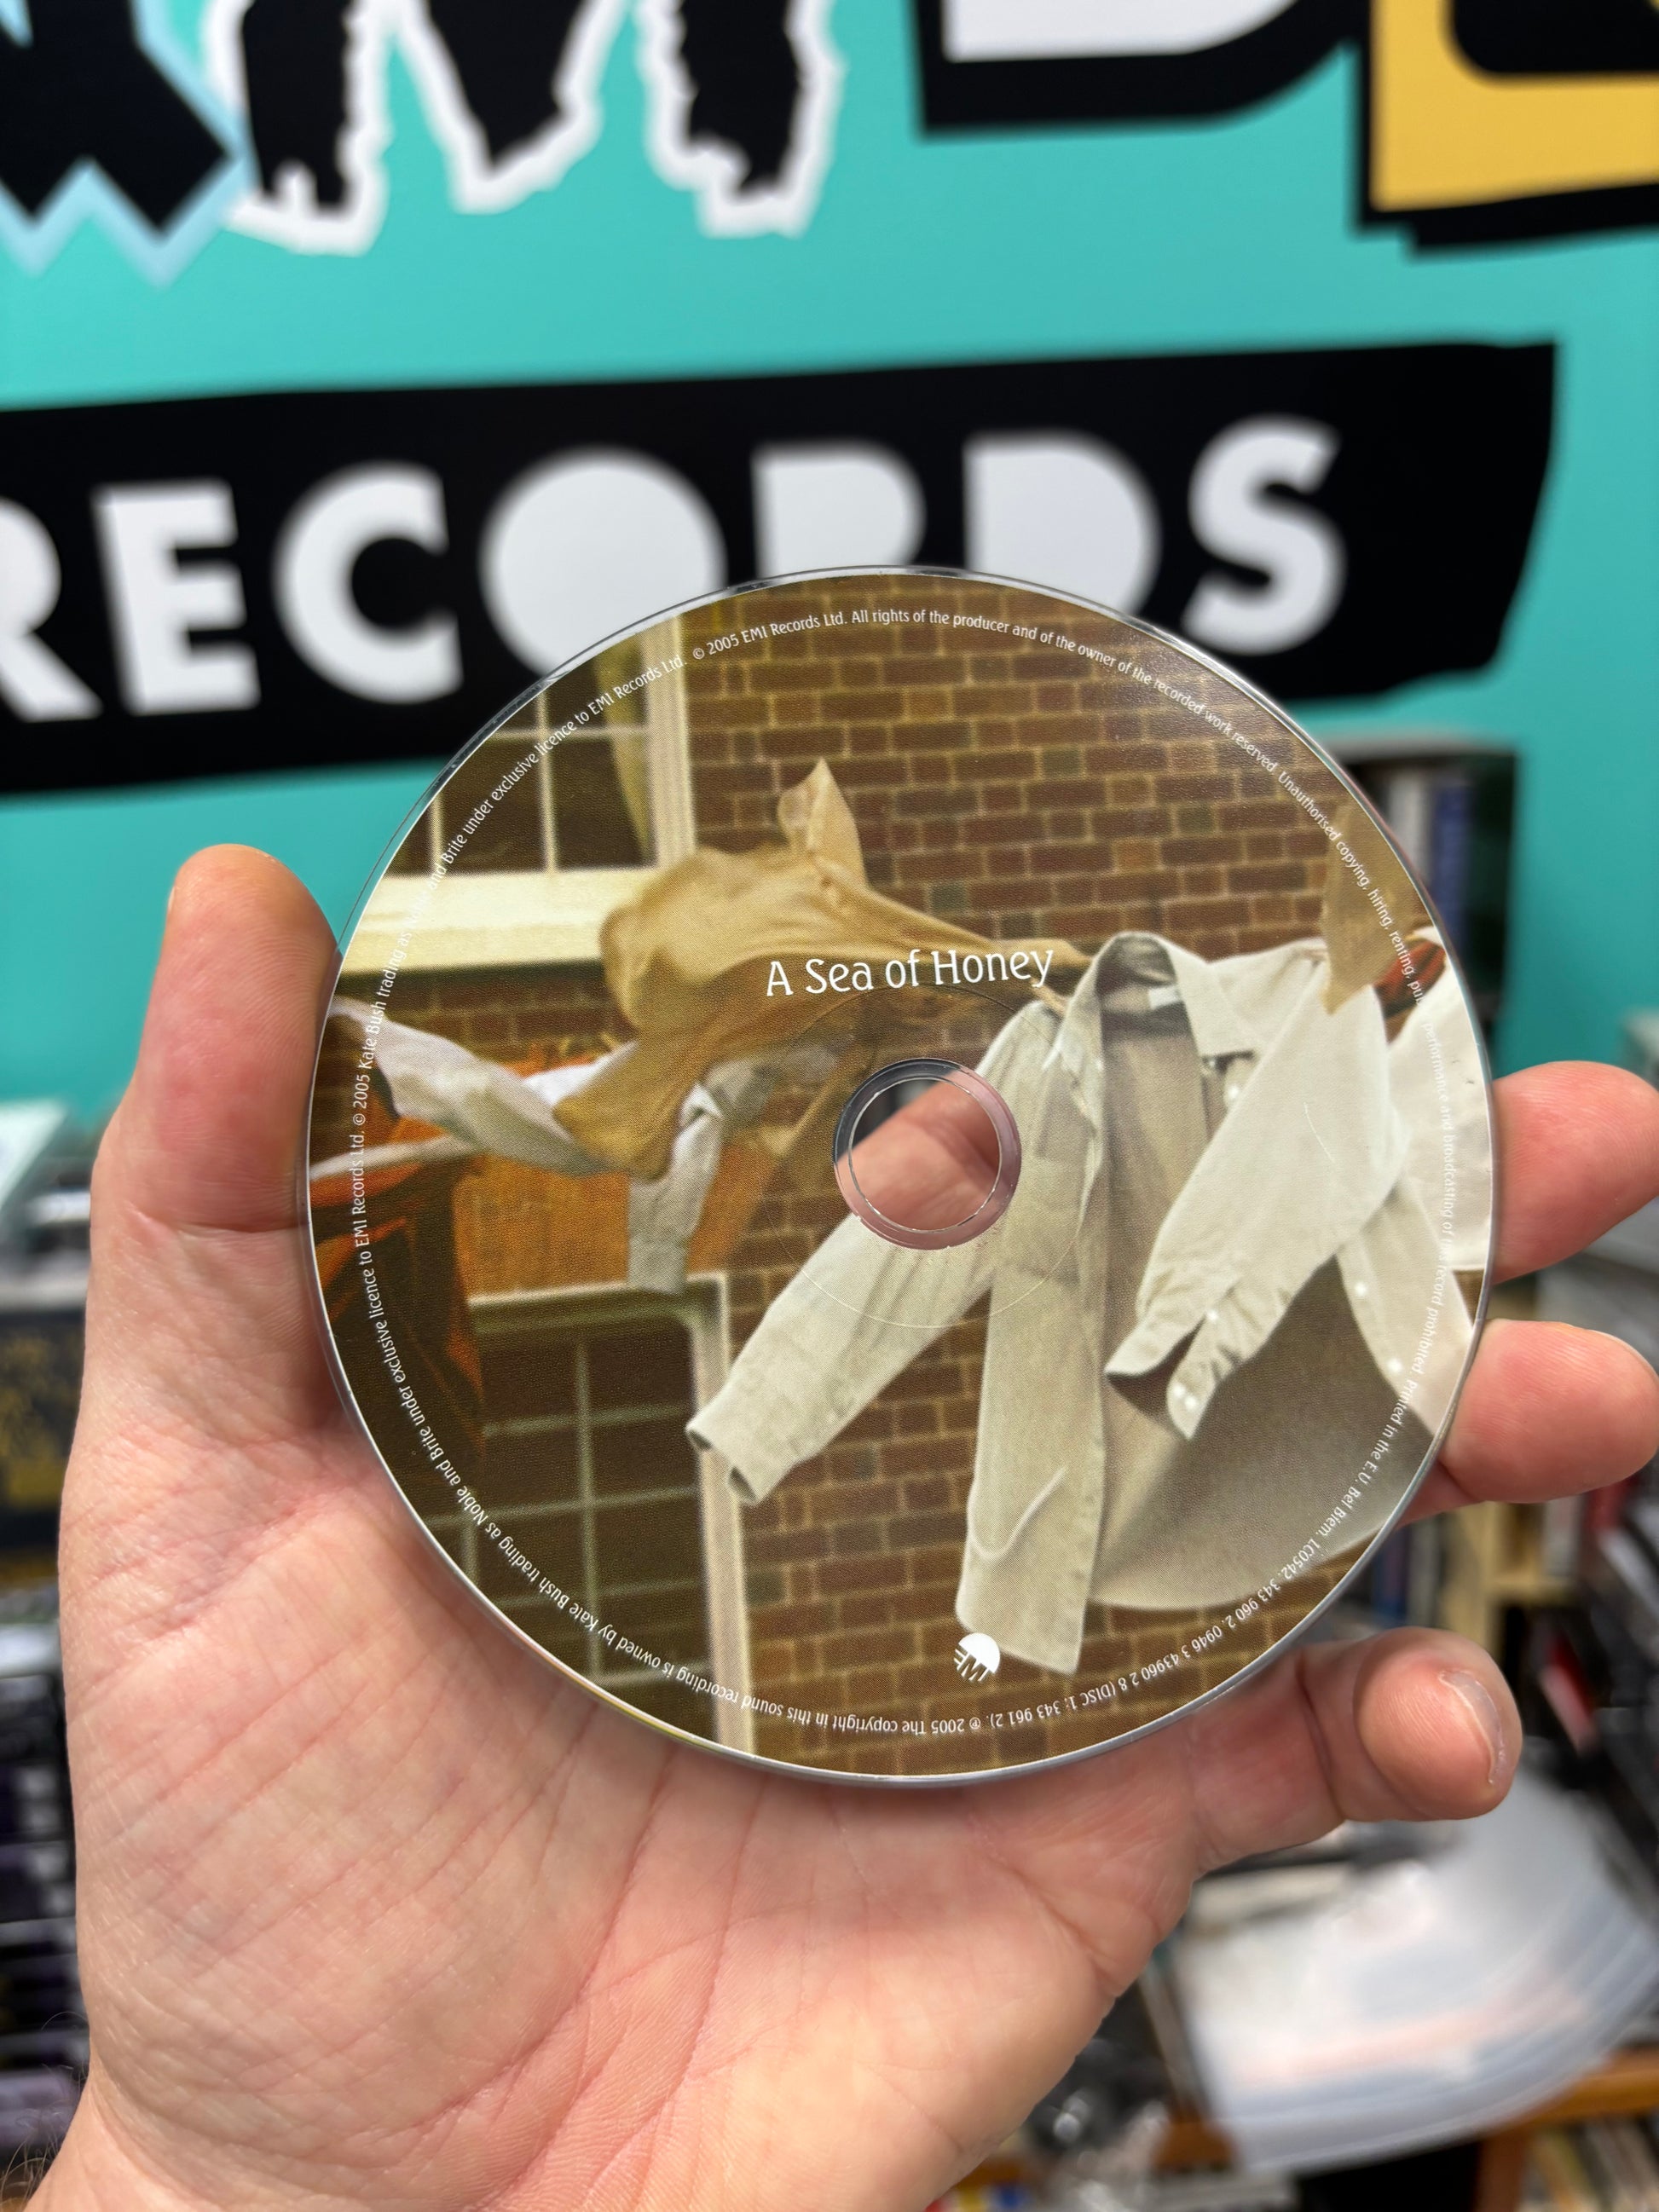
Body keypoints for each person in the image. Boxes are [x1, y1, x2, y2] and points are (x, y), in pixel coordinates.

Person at [36, 847, 1659, 2212]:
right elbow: (878, 1264)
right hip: (1081, 1556)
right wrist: (750, 1432)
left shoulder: (1341, 1041)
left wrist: (1186, 1335)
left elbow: (1285, 1199)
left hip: (1264, 1493)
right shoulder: (1012, 1055)